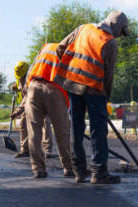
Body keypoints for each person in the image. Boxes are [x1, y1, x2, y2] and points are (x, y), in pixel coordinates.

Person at [54, 10, 129, 185]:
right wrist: (106, 99)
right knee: (98, 129)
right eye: (121, 32)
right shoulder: (109, 43)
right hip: (94, 90)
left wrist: (72, 69)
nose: (120, 36)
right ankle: (99, 172)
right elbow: (108, 76)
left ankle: (79, 171)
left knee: (76, 128)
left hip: (73, 85)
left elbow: (60, 48)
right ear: (117, 27)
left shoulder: (83, 29)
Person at [23, 42, 74, 178]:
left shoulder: (46, 47)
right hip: (54, 91)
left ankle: (38, 169)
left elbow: (30, 72)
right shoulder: (71, 52)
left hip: (34, 87)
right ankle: (68, 168)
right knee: (62, 131)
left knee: (34, 132)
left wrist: (26, 94)